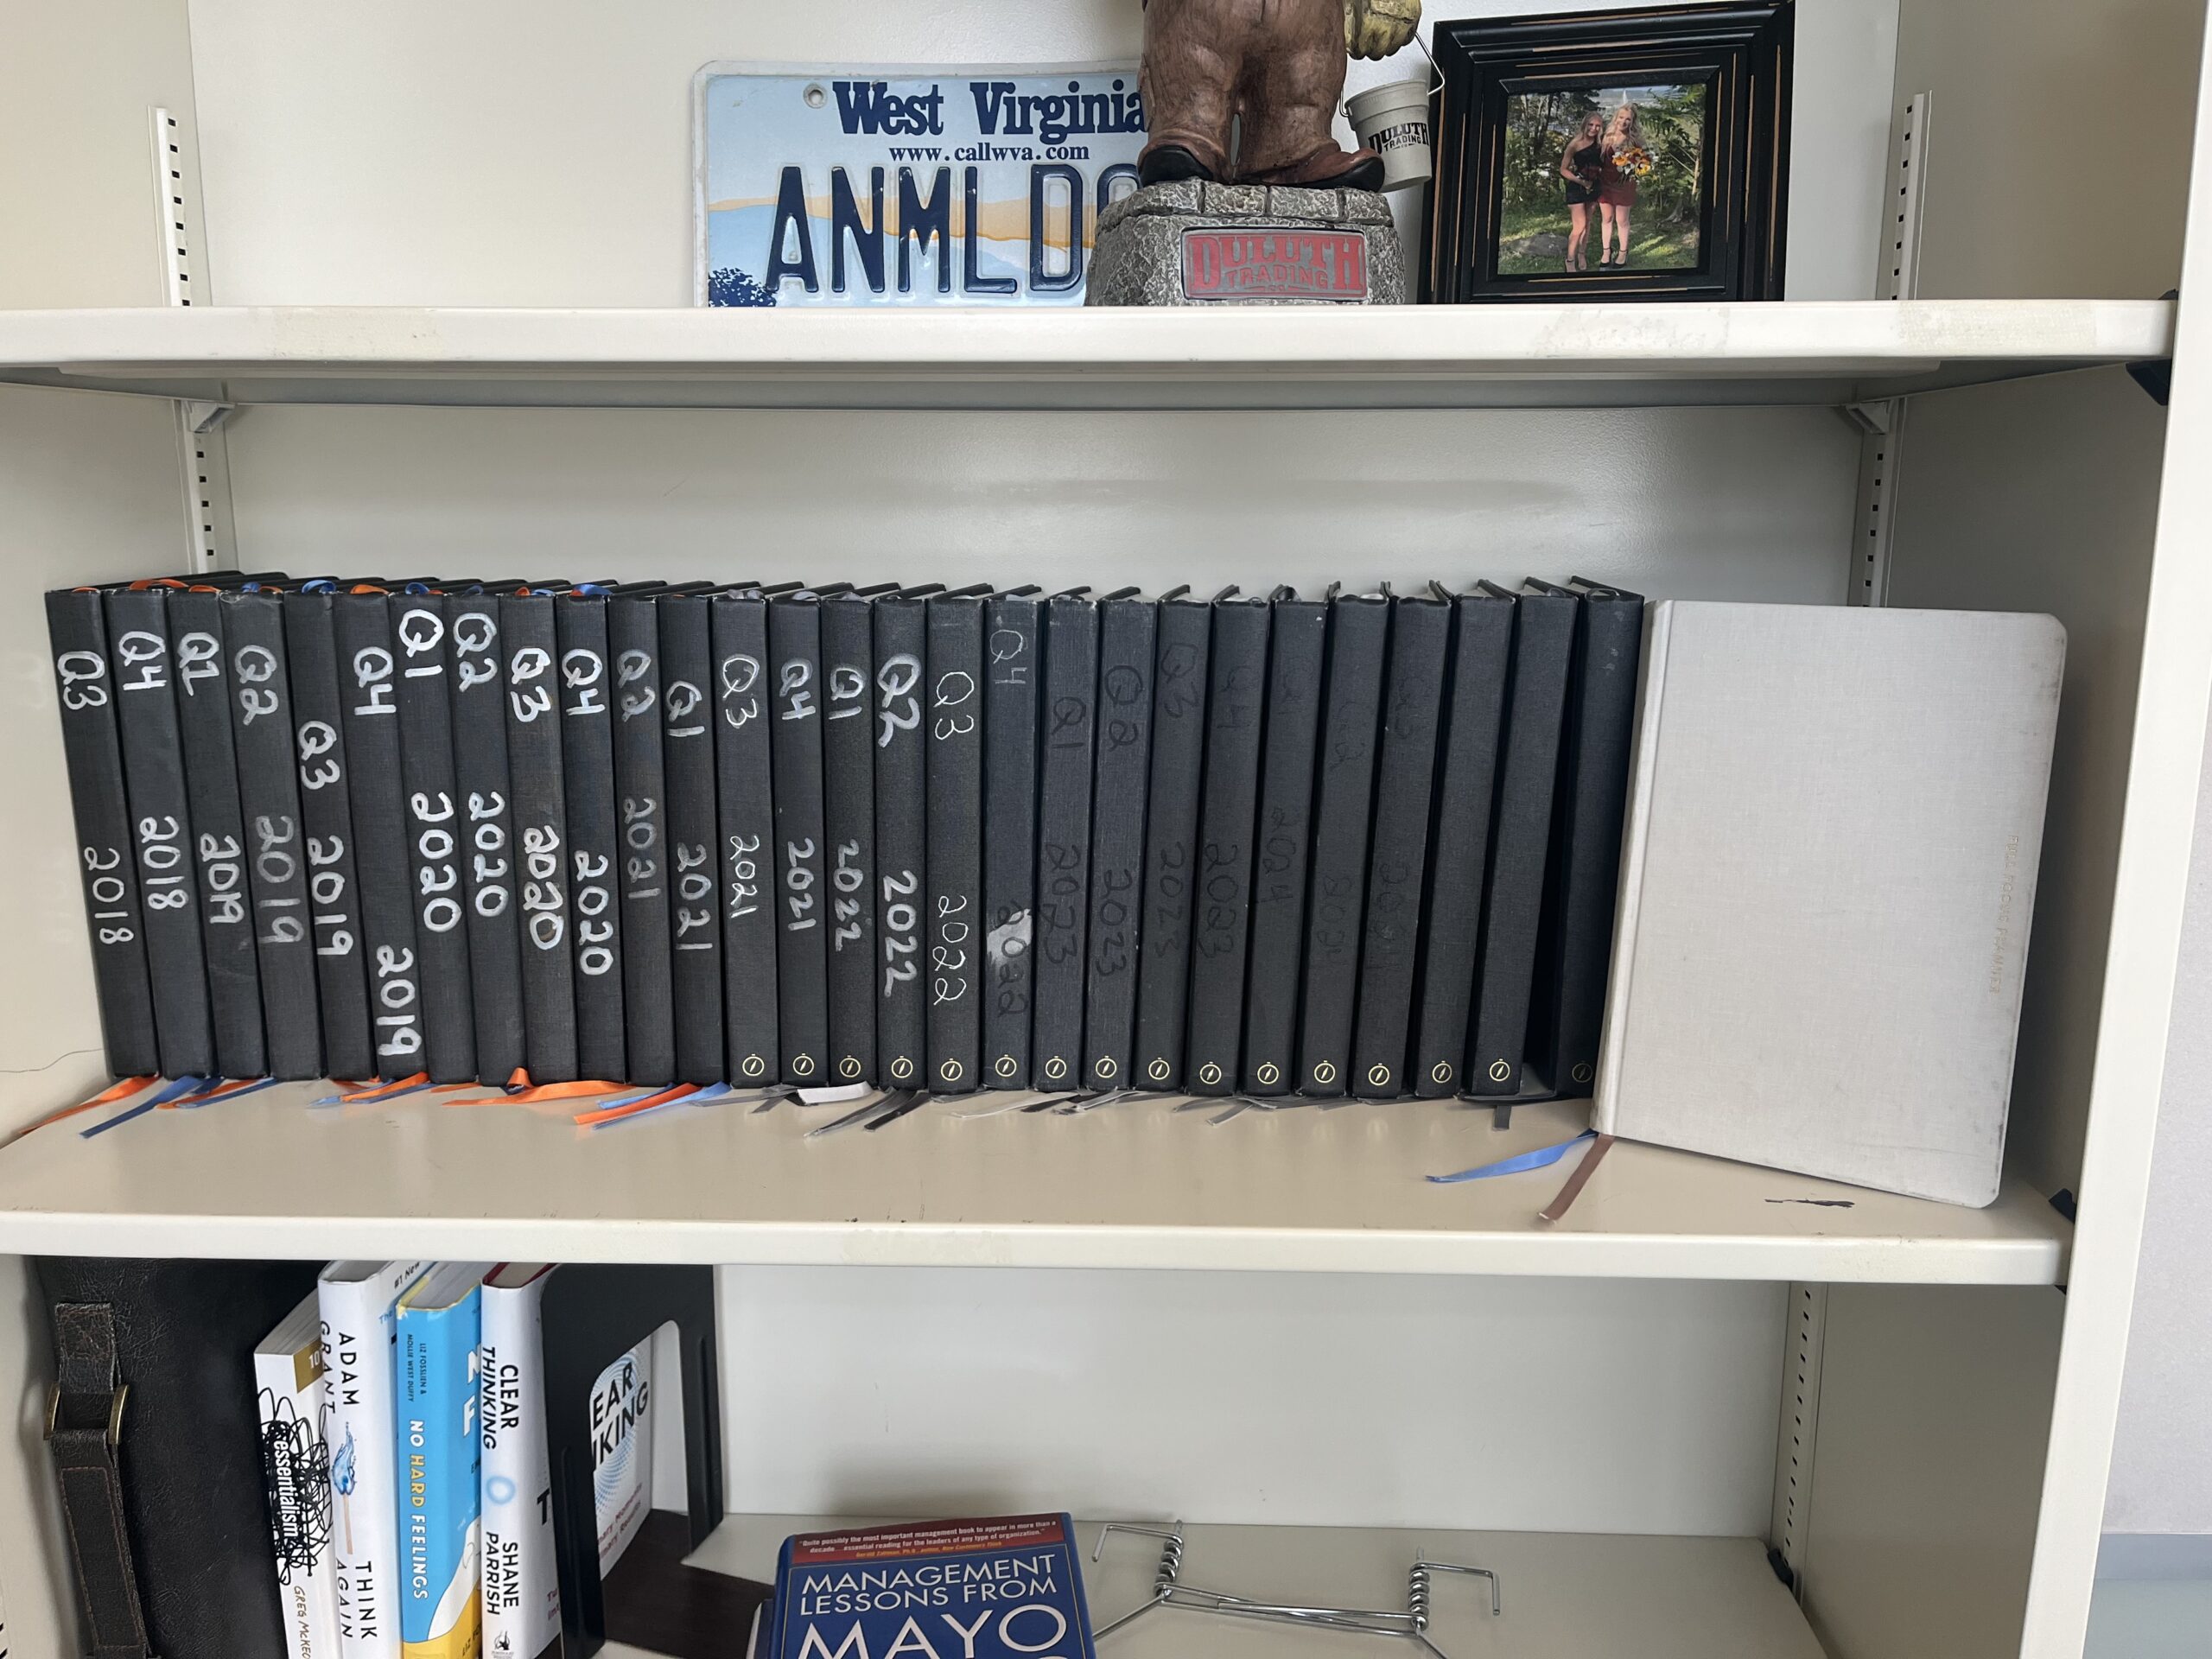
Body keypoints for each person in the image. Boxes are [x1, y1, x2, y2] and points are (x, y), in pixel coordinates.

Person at [1558, 113, 1606, 272]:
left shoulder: (1601, 144)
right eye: (1591, 125)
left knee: (1588, 223)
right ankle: (1570, 260)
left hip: (1594, 186)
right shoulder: (1575, 144)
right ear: (1585, 124)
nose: (1594, 128)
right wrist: (1581, 181)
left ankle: (1581, 254)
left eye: (1597, 126)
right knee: (1579, 226)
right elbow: (1563, 170)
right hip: (1577, 187)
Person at [1598, 103, 1644, 267]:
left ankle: (1623, 253)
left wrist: (1636, 167)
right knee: (1607, 218)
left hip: (1624, 185)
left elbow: (1642, 161)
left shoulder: (1634, 140)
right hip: (1605, 183)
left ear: (1632, 122)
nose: (1623, 122)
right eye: (1621, 117)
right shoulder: (1606, 135)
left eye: (1628, 119)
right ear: (1616, 118)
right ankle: (1606, 252)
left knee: (1622, 220)